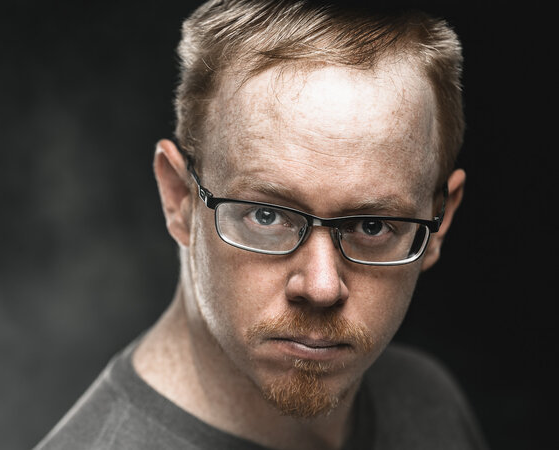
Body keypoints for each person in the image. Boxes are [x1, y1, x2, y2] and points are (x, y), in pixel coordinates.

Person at [35, 1, 488, 449]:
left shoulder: (427, 400)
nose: (321, 287)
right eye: (266, 215)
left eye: (372, 226)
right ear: (179, 200)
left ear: (439, 223)